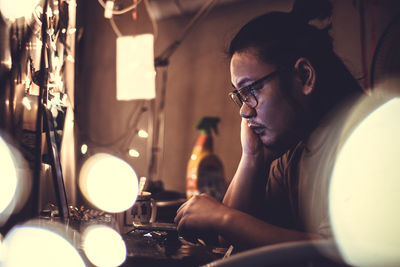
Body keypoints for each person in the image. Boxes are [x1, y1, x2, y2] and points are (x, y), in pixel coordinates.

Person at [174, 0, 365, 251]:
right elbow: (229, 238)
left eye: (252, 89)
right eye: (240, 96)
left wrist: (223, 217)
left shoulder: (363, 142)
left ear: (304, 76)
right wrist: (252, 159)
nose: (244, 110)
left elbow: (342, 253)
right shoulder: (295, 152)